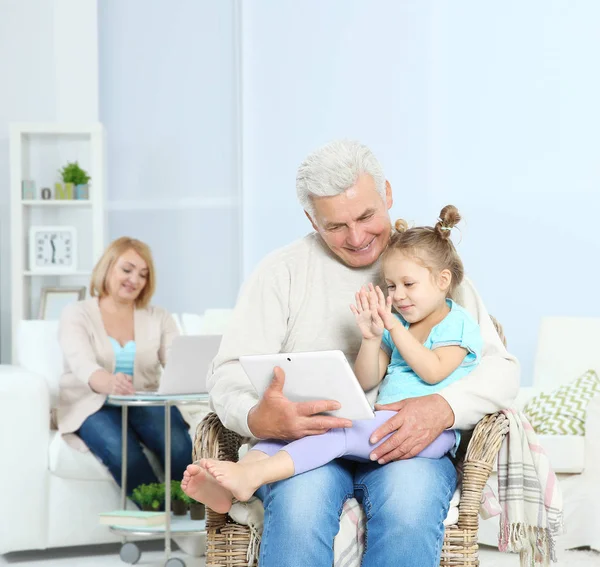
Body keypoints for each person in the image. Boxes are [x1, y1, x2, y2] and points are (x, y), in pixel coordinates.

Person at [183, 140, 519, 567]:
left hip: (409, 447)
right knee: (299, 510)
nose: (357, 237)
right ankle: (244, 480)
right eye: (336, 226)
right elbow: (228, 372)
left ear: (388, 195)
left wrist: (443, 407)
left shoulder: (428, 267)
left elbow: (500, 370)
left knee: (410, 507)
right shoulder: (282, 272)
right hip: (311, 441)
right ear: (311, 219)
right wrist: (256, 416)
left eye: (366, 216)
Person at [183, 205, 481, 508]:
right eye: (391, 286)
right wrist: (371, 338)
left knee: (336, 432)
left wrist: (392, 325)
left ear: (443, 280)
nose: (398, 295)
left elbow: (433, 371)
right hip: (383, 422)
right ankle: (234, 483)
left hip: (425, 436)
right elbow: (368, 377)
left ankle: (253, 478)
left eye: (408, 285)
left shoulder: (457, 323)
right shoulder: (400, 325)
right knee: (295, 432)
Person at [56, 237, 192, 497]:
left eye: (143, 274)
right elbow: (81, 363)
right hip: (91, 402)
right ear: (107, 268)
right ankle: (159, 513)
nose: (135, 280)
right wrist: (109, 382)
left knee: (177, 445)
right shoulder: (76, 313)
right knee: (121, 451)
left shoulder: (158, 316)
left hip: (144, 400)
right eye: (127, 270)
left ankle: (184, 507)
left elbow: (176, 361)